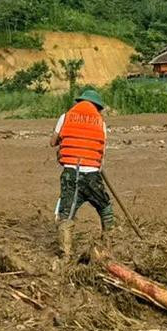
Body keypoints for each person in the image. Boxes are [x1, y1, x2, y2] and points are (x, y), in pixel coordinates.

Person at [50, 88, 114, 258]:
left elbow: (52, 142)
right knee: (105, 208)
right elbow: (102, 155)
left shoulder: (65, 117)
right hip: (92, 174)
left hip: (71, 173)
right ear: (97, 107)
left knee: (66, 214)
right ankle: (107, 247)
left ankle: (66, 255)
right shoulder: (101, 123)